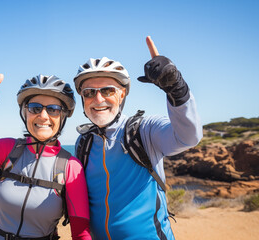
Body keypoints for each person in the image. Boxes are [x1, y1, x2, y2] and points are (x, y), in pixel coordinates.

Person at [73, 36, 203, 239]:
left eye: (107, 90)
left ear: (122, 94)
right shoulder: (84, 142)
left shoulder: (143, 130)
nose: (98, 99)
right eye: (89, 92)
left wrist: (176, 87)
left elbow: (188, 137)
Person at [0, 74, 91, 240]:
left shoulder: (70, 167)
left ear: (63, 116)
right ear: (25, 112)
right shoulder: (9, 149)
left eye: (53, 109)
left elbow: (81, 233)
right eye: (35, 107)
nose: (43, 116)